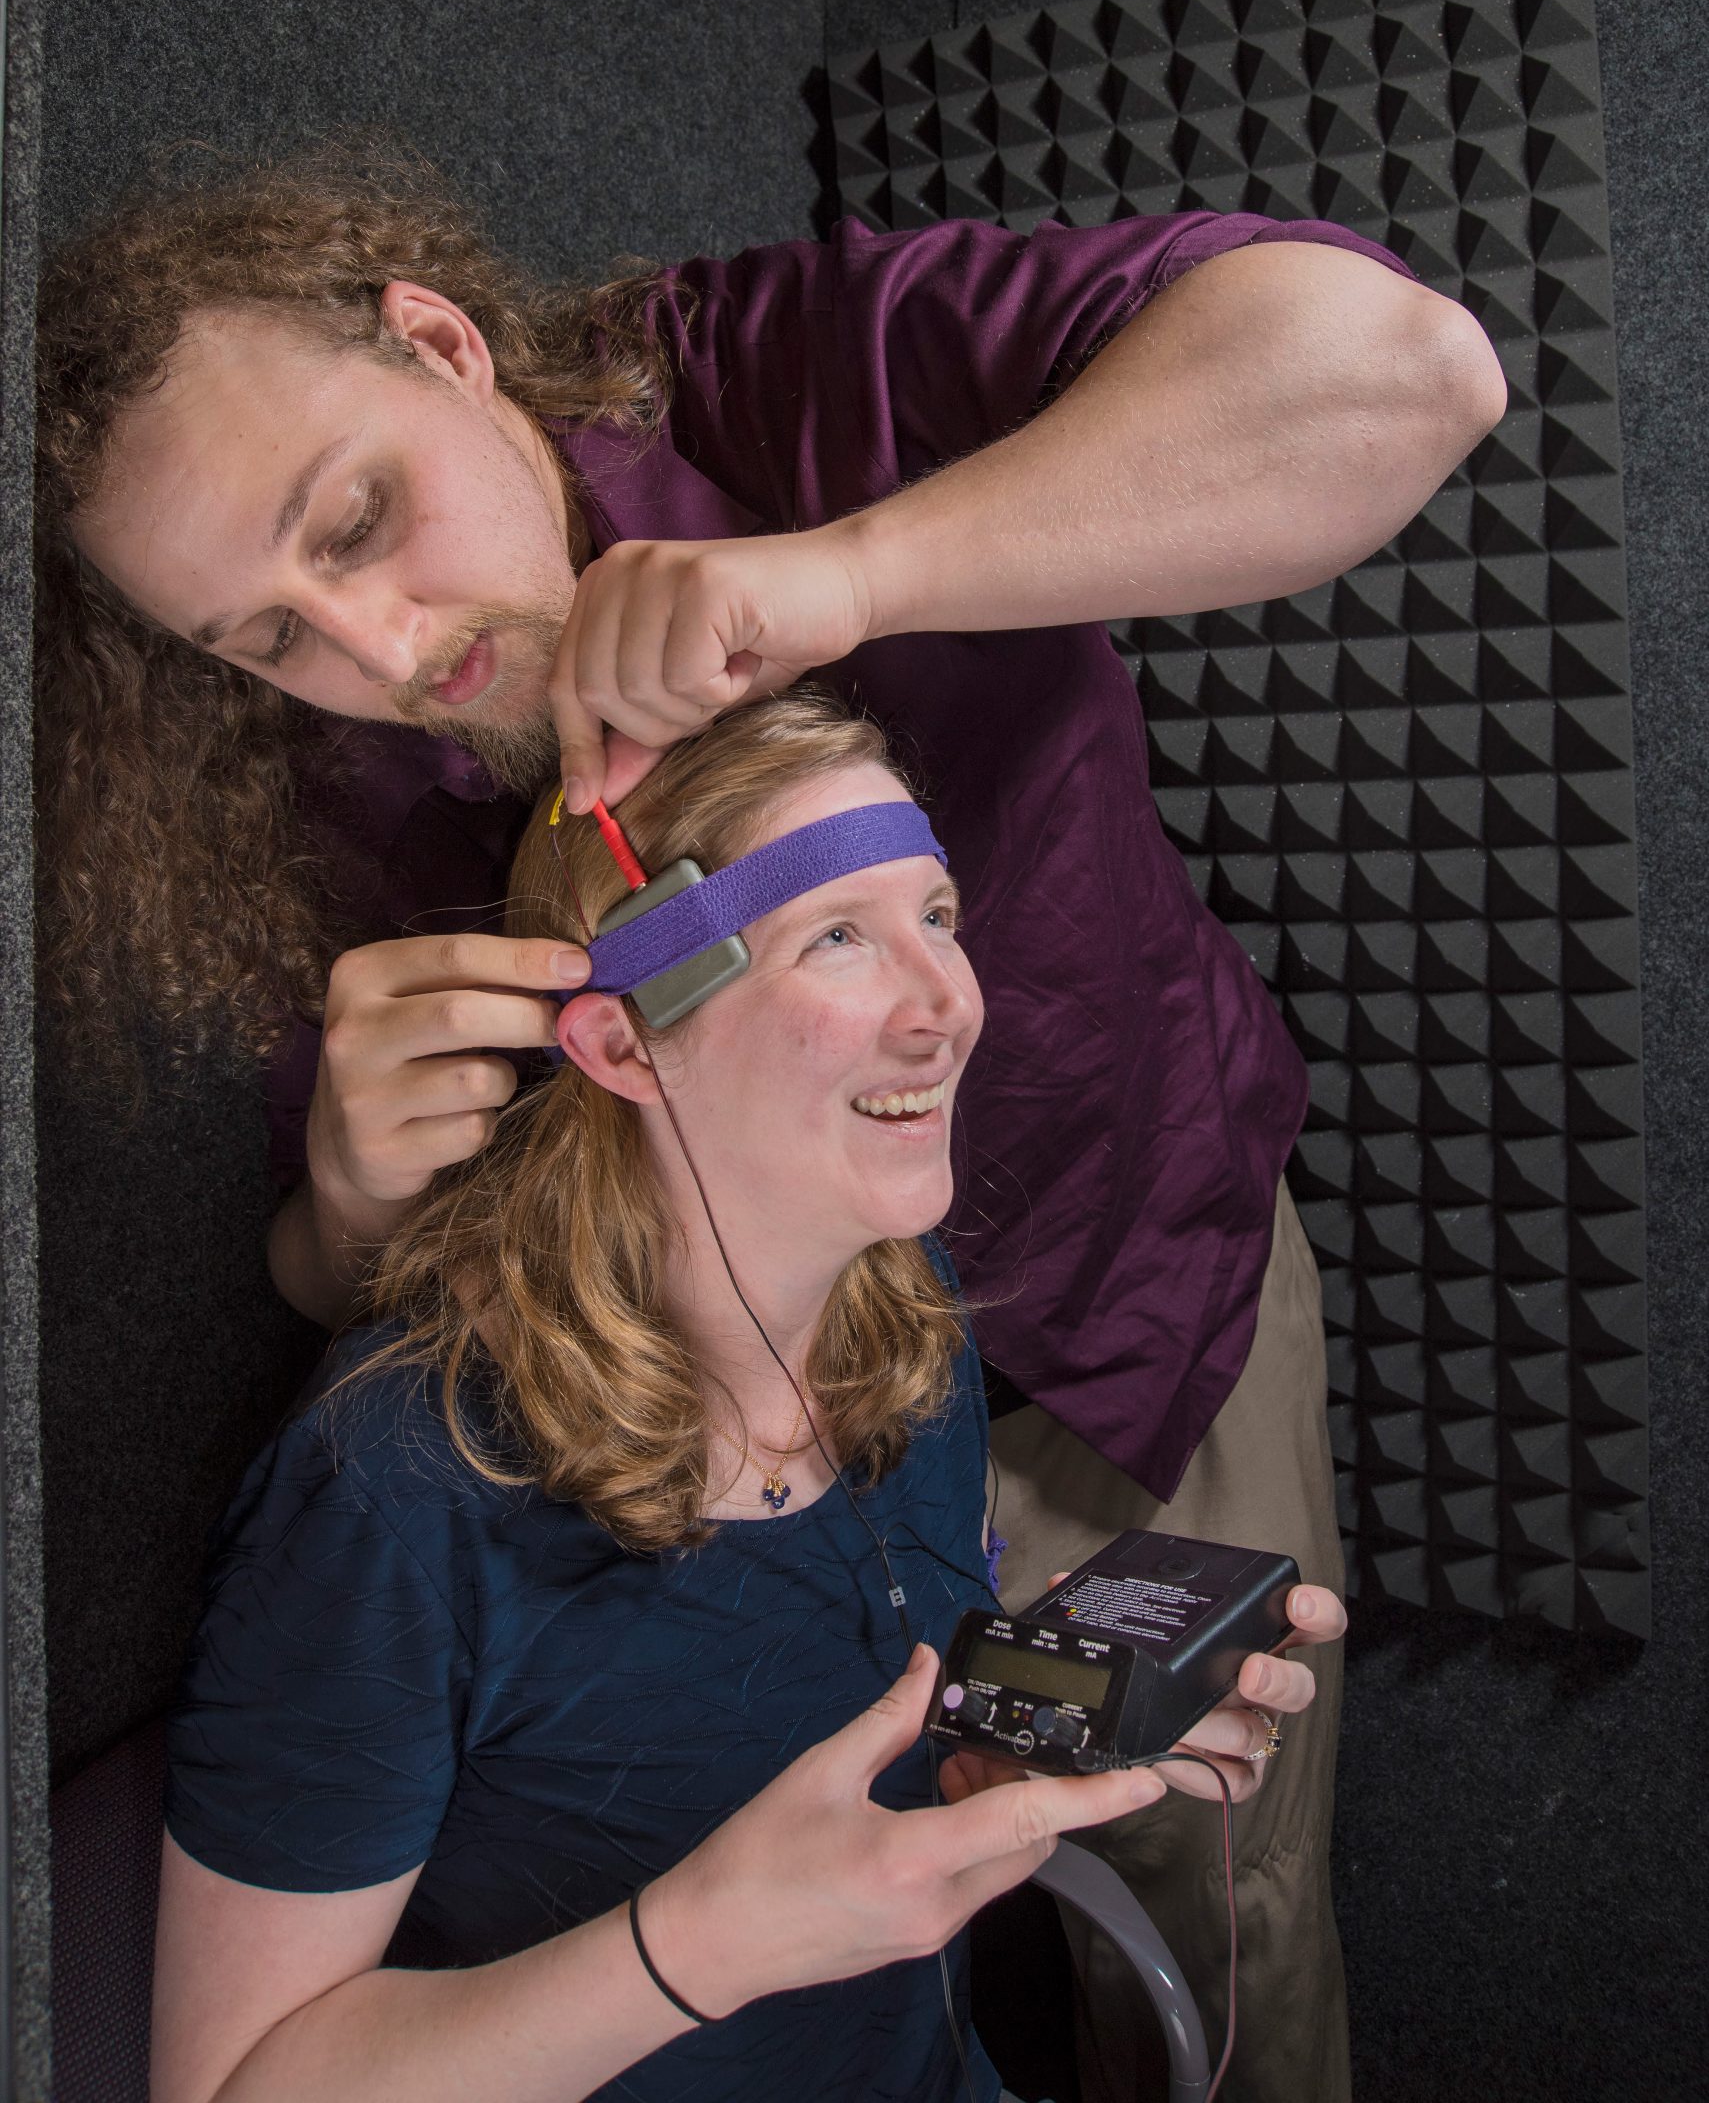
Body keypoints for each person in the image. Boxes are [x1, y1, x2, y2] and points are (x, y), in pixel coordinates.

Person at [38, 144, 1504, 2100]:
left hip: (1114, 1300)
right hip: (705, 1472)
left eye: (364, 519)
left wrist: (854, 569)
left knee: (1216, 1907)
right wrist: (341, 1205)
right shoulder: (394, 1492)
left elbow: (1408, 371)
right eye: (268, 636)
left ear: (447, 344)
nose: (381, 656)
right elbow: (367, 1275)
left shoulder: (768, 376)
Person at [150, 691, 1346, 2103]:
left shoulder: (902, 1331)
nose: (945, 1004)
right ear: (620, 1045)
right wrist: (695, 1947)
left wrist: (1068, 1725)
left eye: (938, 918)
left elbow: (820, 1748)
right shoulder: (398, 1489)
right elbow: (234, 2087)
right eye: (837, 937)